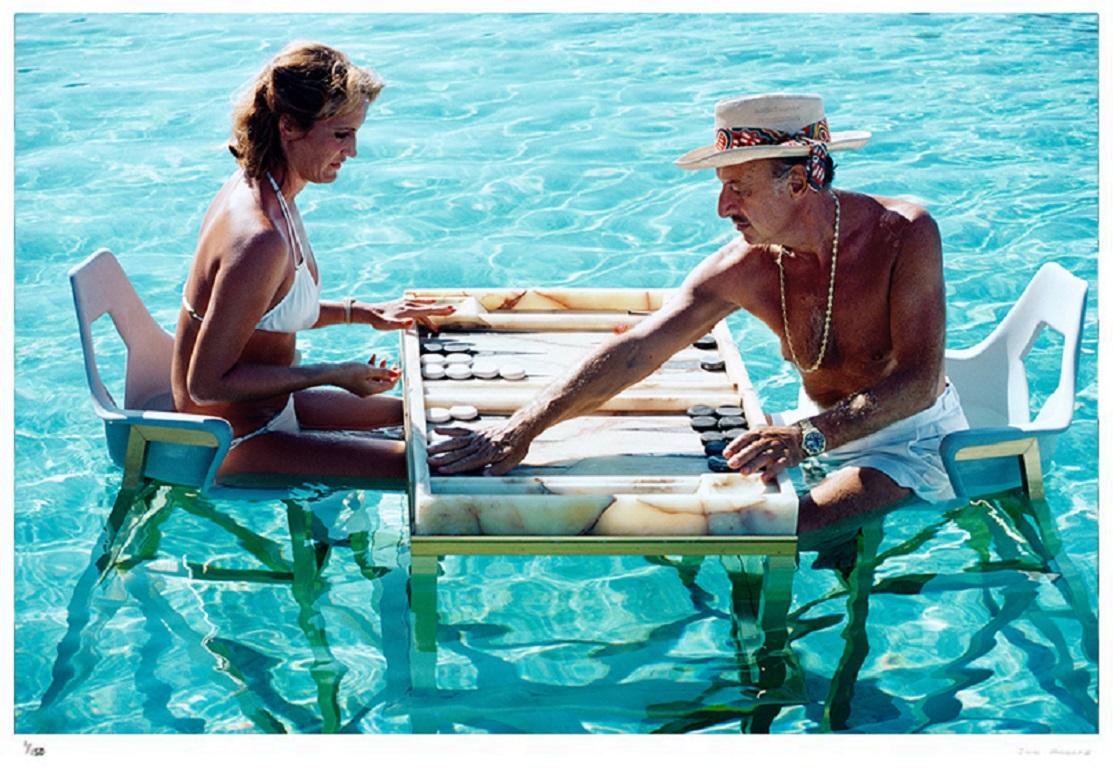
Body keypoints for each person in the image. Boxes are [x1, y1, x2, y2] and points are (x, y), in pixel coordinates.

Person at [428, 93, 968, 533]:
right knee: (710, 523)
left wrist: (804, 437)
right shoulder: (743, 266)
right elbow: (638, 350)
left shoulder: (901, 233)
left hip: (907, 438)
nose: (723, 208)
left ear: (798, 183)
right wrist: (521, 428)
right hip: (811, 435)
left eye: (739, 188)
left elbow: (919, 383)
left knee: (781, 532)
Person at [172, 42, 453, 485]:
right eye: (342, 134)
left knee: (443, 423)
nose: (354, 151)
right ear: (289, 126)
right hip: (233, 437)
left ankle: (356, 542)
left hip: (270, 408)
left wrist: (363, 313)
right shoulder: (259, 237)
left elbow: (261, 312)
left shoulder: (269, 189)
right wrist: (333, 374)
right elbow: (205, 385)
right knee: (440, 469)